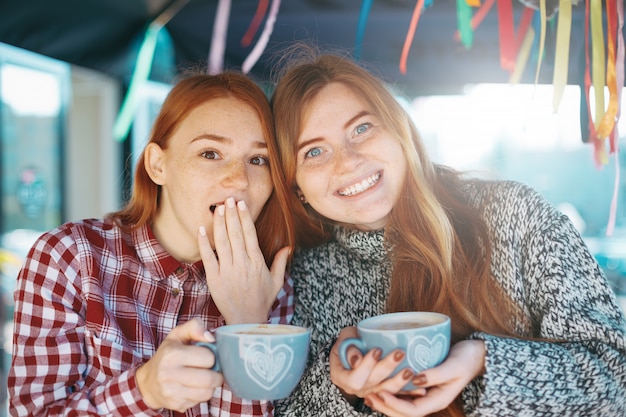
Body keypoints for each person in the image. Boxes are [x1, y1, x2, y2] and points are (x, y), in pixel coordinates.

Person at [270, 46, 626, 417]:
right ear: (297, 188)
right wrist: (339, 388)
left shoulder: (515, 214)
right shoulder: (306, 276)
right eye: (314, 152)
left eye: (361, 128)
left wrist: (483, 363)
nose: (347, 162)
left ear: (400, 130)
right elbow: (288, 408)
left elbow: (617, 381)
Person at [8, 71, 295, 416]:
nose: (238, 179)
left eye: (258, 160)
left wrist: (247, 326)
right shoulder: (67, 258)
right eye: (210, 153)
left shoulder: (270, 286)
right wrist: (146, 389)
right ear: (158, 165)